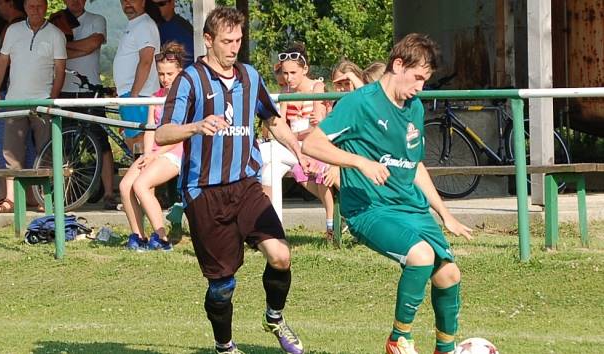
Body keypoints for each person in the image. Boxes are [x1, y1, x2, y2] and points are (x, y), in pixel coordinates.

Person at [302, 33, 473, 354]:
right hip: (369, 209)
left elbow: (415, 164)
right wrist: (358, 162)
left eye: (426, 79)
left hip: (412, 208)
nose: (421, 86)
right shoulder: (359, 102)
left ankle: (445, 350)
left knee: (449, 274)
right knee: (420, 256)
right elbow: (312, 144)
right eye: (418, 77)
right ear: (398, 65)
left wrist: (444, 213)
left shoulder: (415, 108)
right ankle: (398, 339)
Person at [155, 7, 305, 354]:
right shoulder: (189, 80)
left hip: (246, 184)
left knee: (281, 256)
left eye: (238, 40)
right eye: (226, 40)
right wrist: (195, 126)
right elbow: (163, 133)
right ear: (208, 40)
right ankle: (224, 345)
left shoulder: (250, 76)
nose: (233, 47)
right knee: (222, 285)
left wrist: (298, 150)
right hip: (204, 191)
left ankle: (275, 316)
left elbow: (272, 119)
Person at [0, 0, 66, 214]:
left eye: (39, 6)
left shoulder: (56, 34)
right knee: (10, 152)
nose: (35, 10)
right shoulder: (13, 30)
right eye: (31, 6)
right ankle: (11, 200)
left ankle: (45, 199)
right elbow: (2, 61)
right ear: (24, 7)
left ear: (46, 7)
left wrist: (52, 98)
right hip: (15, 100)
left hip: (43, 102)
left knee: (46, 153)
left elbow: (60, 70)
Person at [261, 42, 335, 240]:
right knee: (269, 170)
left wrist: (294, 135)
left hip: (314, 147)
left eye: (293, 73)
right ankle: (273, 230)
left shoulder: (316, 87)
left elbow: (319, 128)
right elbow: (280, 124)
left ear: (305, 70)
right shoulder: (285, 92)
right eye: (285, 73)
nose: (288, 78)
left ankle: (332, 223)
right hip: (294, 147)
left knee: (273, 158)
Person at [51, 0, 118, 210]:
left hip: (91, 90)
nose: (75, 1)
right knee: (65, 145)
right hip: (64, 90)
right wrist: (76, 49)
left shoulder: (97, 19)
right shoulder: (56, 21)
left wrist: (63, 46)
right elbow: (58, 53)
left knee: (101, 142)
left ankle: (108, 193)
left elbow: (93, 44)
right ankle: (67, 193)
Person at [120, 41, 185, 252]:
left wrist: (157, 155)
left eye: (169, 74)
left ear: (180, 72)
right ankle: (138, 236)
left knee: (141, 185)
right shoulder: (155, 98)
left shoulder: (185, 98)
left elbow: (181, 135)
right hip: (155, 153)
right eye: (161, 74)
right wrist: (148, 154)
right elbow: (150, 129)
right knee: (125, 186)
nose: (165, 79)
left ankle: (162, 238)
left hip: (176, 151)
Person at [114, 0, 160, 149]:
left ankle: (142, 173)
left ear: (143, 1)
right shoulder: (135, 24)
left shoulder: (144, 24)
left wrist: (134, 95)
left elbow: (146, 60)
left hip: (139, 95)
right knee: (133, 142)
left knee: (139, 143)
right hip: (130, 94)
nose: (127, 3)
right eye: (123, 0)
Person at [151, 0, 194, 68]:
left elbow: (188, 58)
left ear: (172, 3)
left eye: (161, 4)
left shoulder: (182, 28)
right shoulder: (153, 26)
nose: (157, 8)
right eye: (153, 5)